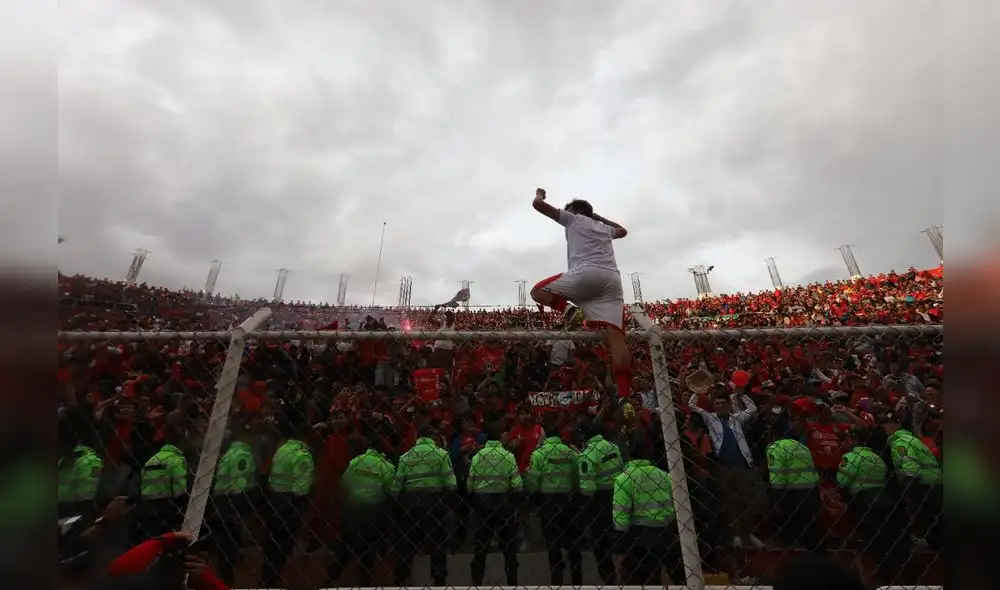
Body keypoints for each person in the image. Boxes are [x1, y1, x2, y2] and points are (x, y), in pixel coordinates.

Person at [528, 187, 633, 401]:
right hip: (612, 281)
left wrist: (540, 194)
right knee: (617, 339)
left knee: (537, 291)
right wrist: (597, 217)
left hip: (586, 274)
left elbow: (538, 205)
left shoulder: (573, 219)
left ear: (574, 210)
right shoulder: (604, 228)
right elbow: (622, 231)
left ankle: (568, 311)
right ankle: (625, 397)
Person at [835, 426, 914, 585]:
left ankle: (884, 577)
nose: (843, 443)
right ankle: (908, 575)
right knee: (894, 539)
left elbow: (841, 482)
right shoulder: (877, 458)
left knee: (876, 542)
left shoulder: (850, 457)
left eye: (845, 439)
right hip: (886, 499)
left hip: (865, 502)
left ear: (853, 439)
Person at [612, 432, 683, 585]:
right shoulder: (664, 476)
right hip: (665, 533)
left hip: (639, 537)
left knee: (641, 580)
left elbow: (620, 516)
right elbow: (677, 504)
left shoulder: (623, 478)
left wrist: (621, 547)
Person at [390, 426, 457, 586]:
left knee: (407, 544)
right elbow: (451, 484)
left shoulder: (406, 456)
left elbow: (396, 488)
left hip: (411, 503)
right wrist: (445, 500)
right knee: (438, 544)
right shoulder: (441, 454)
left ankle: (400, 577)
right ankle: (439, 579)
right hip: (434, 502)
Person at [326, 436, 395, 588]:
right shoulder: (386, 466)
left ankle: (330, 579)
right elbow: (391, 490)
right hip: (372, 512)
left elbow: (345, 482)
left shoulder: (356, 461)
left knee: (345, 548)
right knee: (368, 551)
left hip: (352, 509)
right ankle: (364, 583)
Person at [524, 416, 582, 586]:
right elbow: (579, 474)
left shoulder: (539, 454)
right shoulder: (570, 452)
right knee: (573, 542)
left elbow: (532, 481)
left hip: (549, 502)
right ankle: (577, 579)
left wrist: (535, 494)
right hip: (569, 500)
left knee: (553, 542)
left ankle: (557, 578)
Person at [259, 414, 315, 589]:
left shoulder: (282, 449)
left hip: (274, 498)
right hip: (290, 503)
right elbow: (301, 488)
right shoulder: (302, 455)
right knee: (285, 544)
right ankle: (272, 578)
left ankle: (266, 577)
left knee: (272, 541)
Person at [467, 422, 523, 586]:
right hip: (503, 501)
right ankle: (512, 582)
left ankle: (477, 582)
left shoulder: (478, 456)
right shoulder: (508, 456)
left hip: (482, 501)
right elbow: (518, 484)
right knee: (508, 545)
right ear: (500, 437)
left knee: (481, 545)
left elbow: (470, 484)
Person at [881, 411, 944, 552]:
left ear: (896, 424)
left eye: (887, 423)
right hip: (933, 482)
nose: (884, 426)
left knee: (929, 519)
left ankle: (936, 546)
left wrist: (906, 489)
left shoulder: (900, 442)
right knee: (935, 519)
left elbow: (910, 468)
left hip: (924, 485)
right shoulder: (910, 439)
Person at [765, 421, 827, 551]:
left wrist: (776, 499)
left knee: (793, 531)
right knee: (811, 530)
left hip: (794, 495)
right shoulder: (801, 446)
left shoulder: (776, 447)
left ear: (774, 434)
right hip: (812, 491)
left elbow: (777, 476)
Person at [577, 421, 623, 585]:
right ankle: (624, 570)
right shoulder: (613, 447)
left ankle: (609, 576)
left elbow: (588, 488)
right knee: (619, 533)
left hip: (599, 500)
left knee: (599, 541)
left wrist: (583, 505)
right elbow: (621, 468)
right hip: (618, 494)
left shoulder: (587, 455)